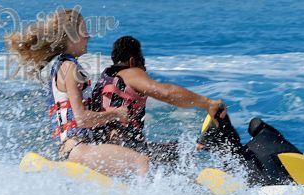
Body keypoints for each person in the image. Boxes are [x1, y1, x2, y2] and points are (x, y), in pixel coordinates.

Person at [6, 9, 150, 177]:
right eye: (84, 31)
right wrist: (116, 114)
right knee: (141, 162)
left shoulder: (62, 65)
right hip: (79, 150)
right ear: (71, 37)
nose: (88, 36)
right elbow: (81, 119)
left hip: (76, 148)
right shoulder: (70, 68)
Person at [91, 36, 226, 163]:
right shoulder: (131, 73)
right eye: (142, 60)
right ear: (132, 61)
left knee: (174, 148)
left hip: (100, 147)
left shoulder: (105, 78)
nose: (144, 67)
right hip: (125, 151)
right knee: (184, 151)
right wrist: (207, 103)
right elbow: (166, 93)